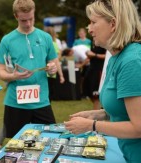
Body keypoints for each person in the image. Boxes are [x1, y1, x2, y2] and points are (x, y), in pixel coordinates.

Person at [64, 0, 141, 162]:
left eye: (93, 22)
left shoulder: (132, 61)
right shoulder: (116, 57)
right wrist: (98, 114)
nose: (89, 29)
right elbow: (125, 108)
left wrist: (91, 126)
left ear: (113, 24)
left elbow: (138, 127)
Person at [0, 0, 58, 157]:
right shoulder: (7, 40)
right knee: (19, 149)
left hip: (42, 101)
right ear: (15, 16)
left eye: (31, 19)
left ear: (34, 14)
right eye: (23, 20)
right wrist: (13, 76)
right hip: (16, 103)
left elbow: (53, 62)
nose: (27, 23)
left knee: (49, 141)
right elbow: (0, 72)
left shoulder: (45, 37)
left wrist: (52, 67)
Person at [83, 44, 106, 110]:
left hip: (99, 70)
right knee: (90, 94)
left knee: (96, 95)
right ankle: (102, 110)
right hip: (91, 69)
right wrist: (88, 54)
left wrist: (94, 55)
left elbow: (108, 56)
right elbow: (91, 54)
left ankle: (96, 116)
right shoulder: (94, 42)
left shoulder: (104, 42)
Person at [45, 27, 65, 101]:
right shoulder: (54, 44)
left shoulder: (39, 45)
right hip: (51, 73)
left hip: (41, 73)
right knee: (49, 95)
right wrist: (61, 75)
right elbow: (56, 61)